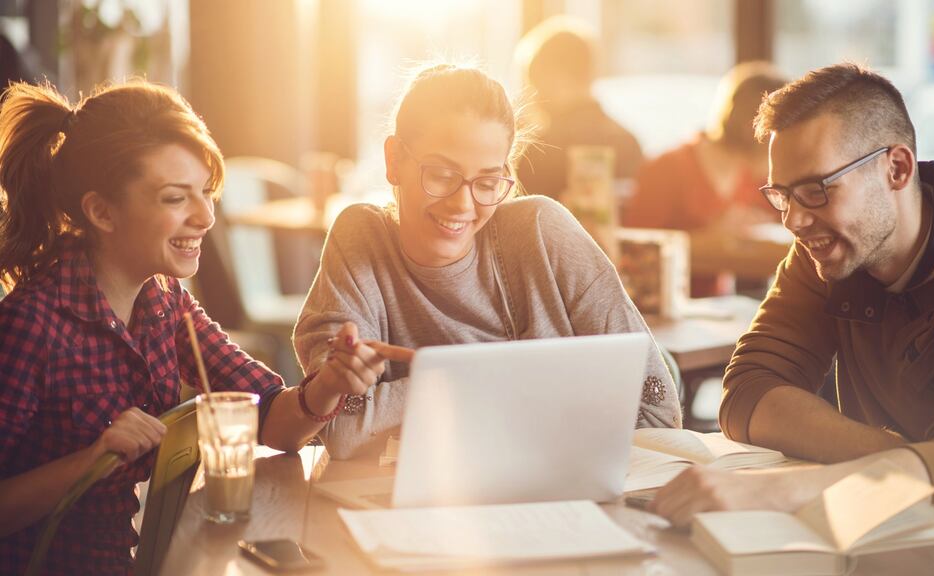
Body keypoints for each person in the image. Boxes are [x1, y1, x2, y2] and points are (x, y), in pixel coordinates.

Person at [648, 63, 934, 572]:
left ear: (897, 168)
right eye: (782, 195)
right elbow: (747, 392)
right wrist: (911, 467)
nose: (794, 222)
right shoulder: (828, 256)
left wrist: (781, 490)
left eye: (817, 190)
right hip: (876, 537)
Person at [0, 80, 362, 575]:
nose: (206, 217)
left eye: (207, 193)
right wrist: (91, 460)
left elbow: (272, 419)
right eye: (176, 198)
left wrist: (330, 385)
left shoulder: (165, 301)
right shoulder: (31, 324)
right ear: (101, 211)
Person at [293, 63, 680, 460]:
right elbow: (339, 422)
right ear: (394, 160)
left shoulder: (544, 233)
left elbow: (656, 409)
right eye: (442, 174)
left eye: (487, 182)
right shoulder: (361, 237)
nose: (463, 204)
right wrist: (488, 382)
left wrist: (426, 392)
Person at [624, 62, 787, 296]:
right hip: (667, 308)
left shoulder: (751, 177)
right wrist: (709, 237)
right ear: (750, 129)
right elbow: (635, 254)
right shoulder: (667, 168)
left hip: (718, 308)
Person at [513, 17, 644, 199]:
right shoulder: (628, 142)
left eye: (534, 83)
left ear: (554, 78)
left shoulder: (540, 152)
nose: (532, 96)